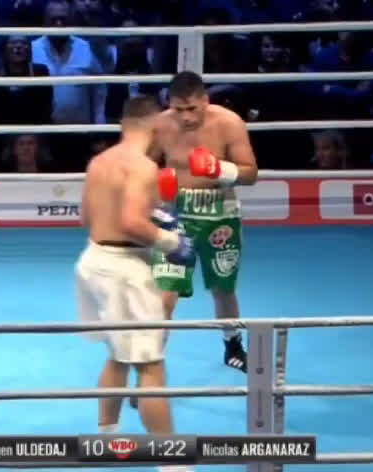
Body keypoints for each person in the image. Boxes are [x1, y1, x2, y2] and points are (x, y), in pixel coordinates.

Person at [74, 95, 194, 472]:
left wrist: (148, 218)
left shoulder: (99, 162)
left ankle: (106, 436)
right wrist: (172, 242)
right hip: (123, 270)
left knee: (117, 353)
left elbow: (85, 217)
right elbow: (130, 223)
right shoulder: (142, 166)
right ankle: (173, 463)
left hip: (93, 260)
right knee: (151, 367)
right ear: (154, 125)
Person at [127, 71, 257, 410]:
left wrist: (219, 169)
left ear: (205, 100)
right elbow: (139, 165)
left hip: (220, 215)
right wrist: (153, 183)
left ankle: (232, 344)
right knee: (165, 296)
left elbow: (250, 173)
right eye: (179, 109)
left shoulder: (229, 123)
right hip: (175, 216)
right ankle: (148, 373)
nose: (186, 117)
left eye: (192, 109)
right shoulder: (160, 125)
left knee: (222, 289)